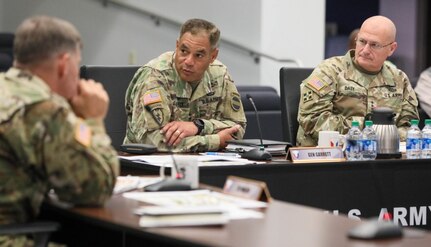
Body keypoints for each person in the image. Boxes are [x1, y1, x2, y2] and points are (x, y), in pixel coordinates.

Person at [0, 16, 119, 245]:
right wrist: (93, 119)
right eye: (78, 64)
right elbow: (95, 189)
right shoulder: (42, 109)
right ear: (64, 65)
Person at [124, 18, 246, 152]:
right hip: (149, 166)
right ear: (177, 46)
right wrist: (213, 140)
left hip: (204, 163)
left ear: (213, 56)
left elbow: (237, 127)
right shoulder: (155, 76)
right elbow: (153, 141)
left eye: (198, 55)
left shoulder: (220, 74)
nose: (188, 61)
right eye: (183, 51)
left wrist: (199, 126)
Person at [297, 15, 419, 146]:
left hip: (383, 157)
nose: (365, 50)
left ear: (391, 49)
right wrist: (372, 129)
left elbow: (411, 128)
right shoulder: (329, 71)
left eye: (374, 45)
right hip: (328, 157)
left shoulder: (399, 80)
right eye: (362, 41)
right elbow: (312, 120)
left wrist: (375, 135)